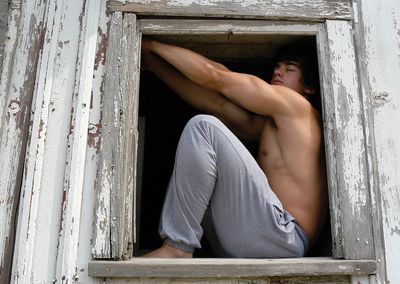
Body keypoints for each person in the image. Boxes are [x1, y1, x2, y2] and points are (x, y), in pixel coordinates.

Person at [140, 39, 328, 258]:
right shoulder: (273, 128)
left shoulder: (298, 107)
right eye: (277, 67)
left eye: (289, 69)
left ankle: (177, 246)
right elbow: (214, 103)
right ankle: (178, 248)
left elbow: (215, 76)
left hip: (283, 234)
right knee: (209, 135)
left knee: (203, 127)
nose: (278, 72)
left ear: (310, 87)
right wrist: (155, 65)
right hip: (265, 238)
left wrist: (151, 44)